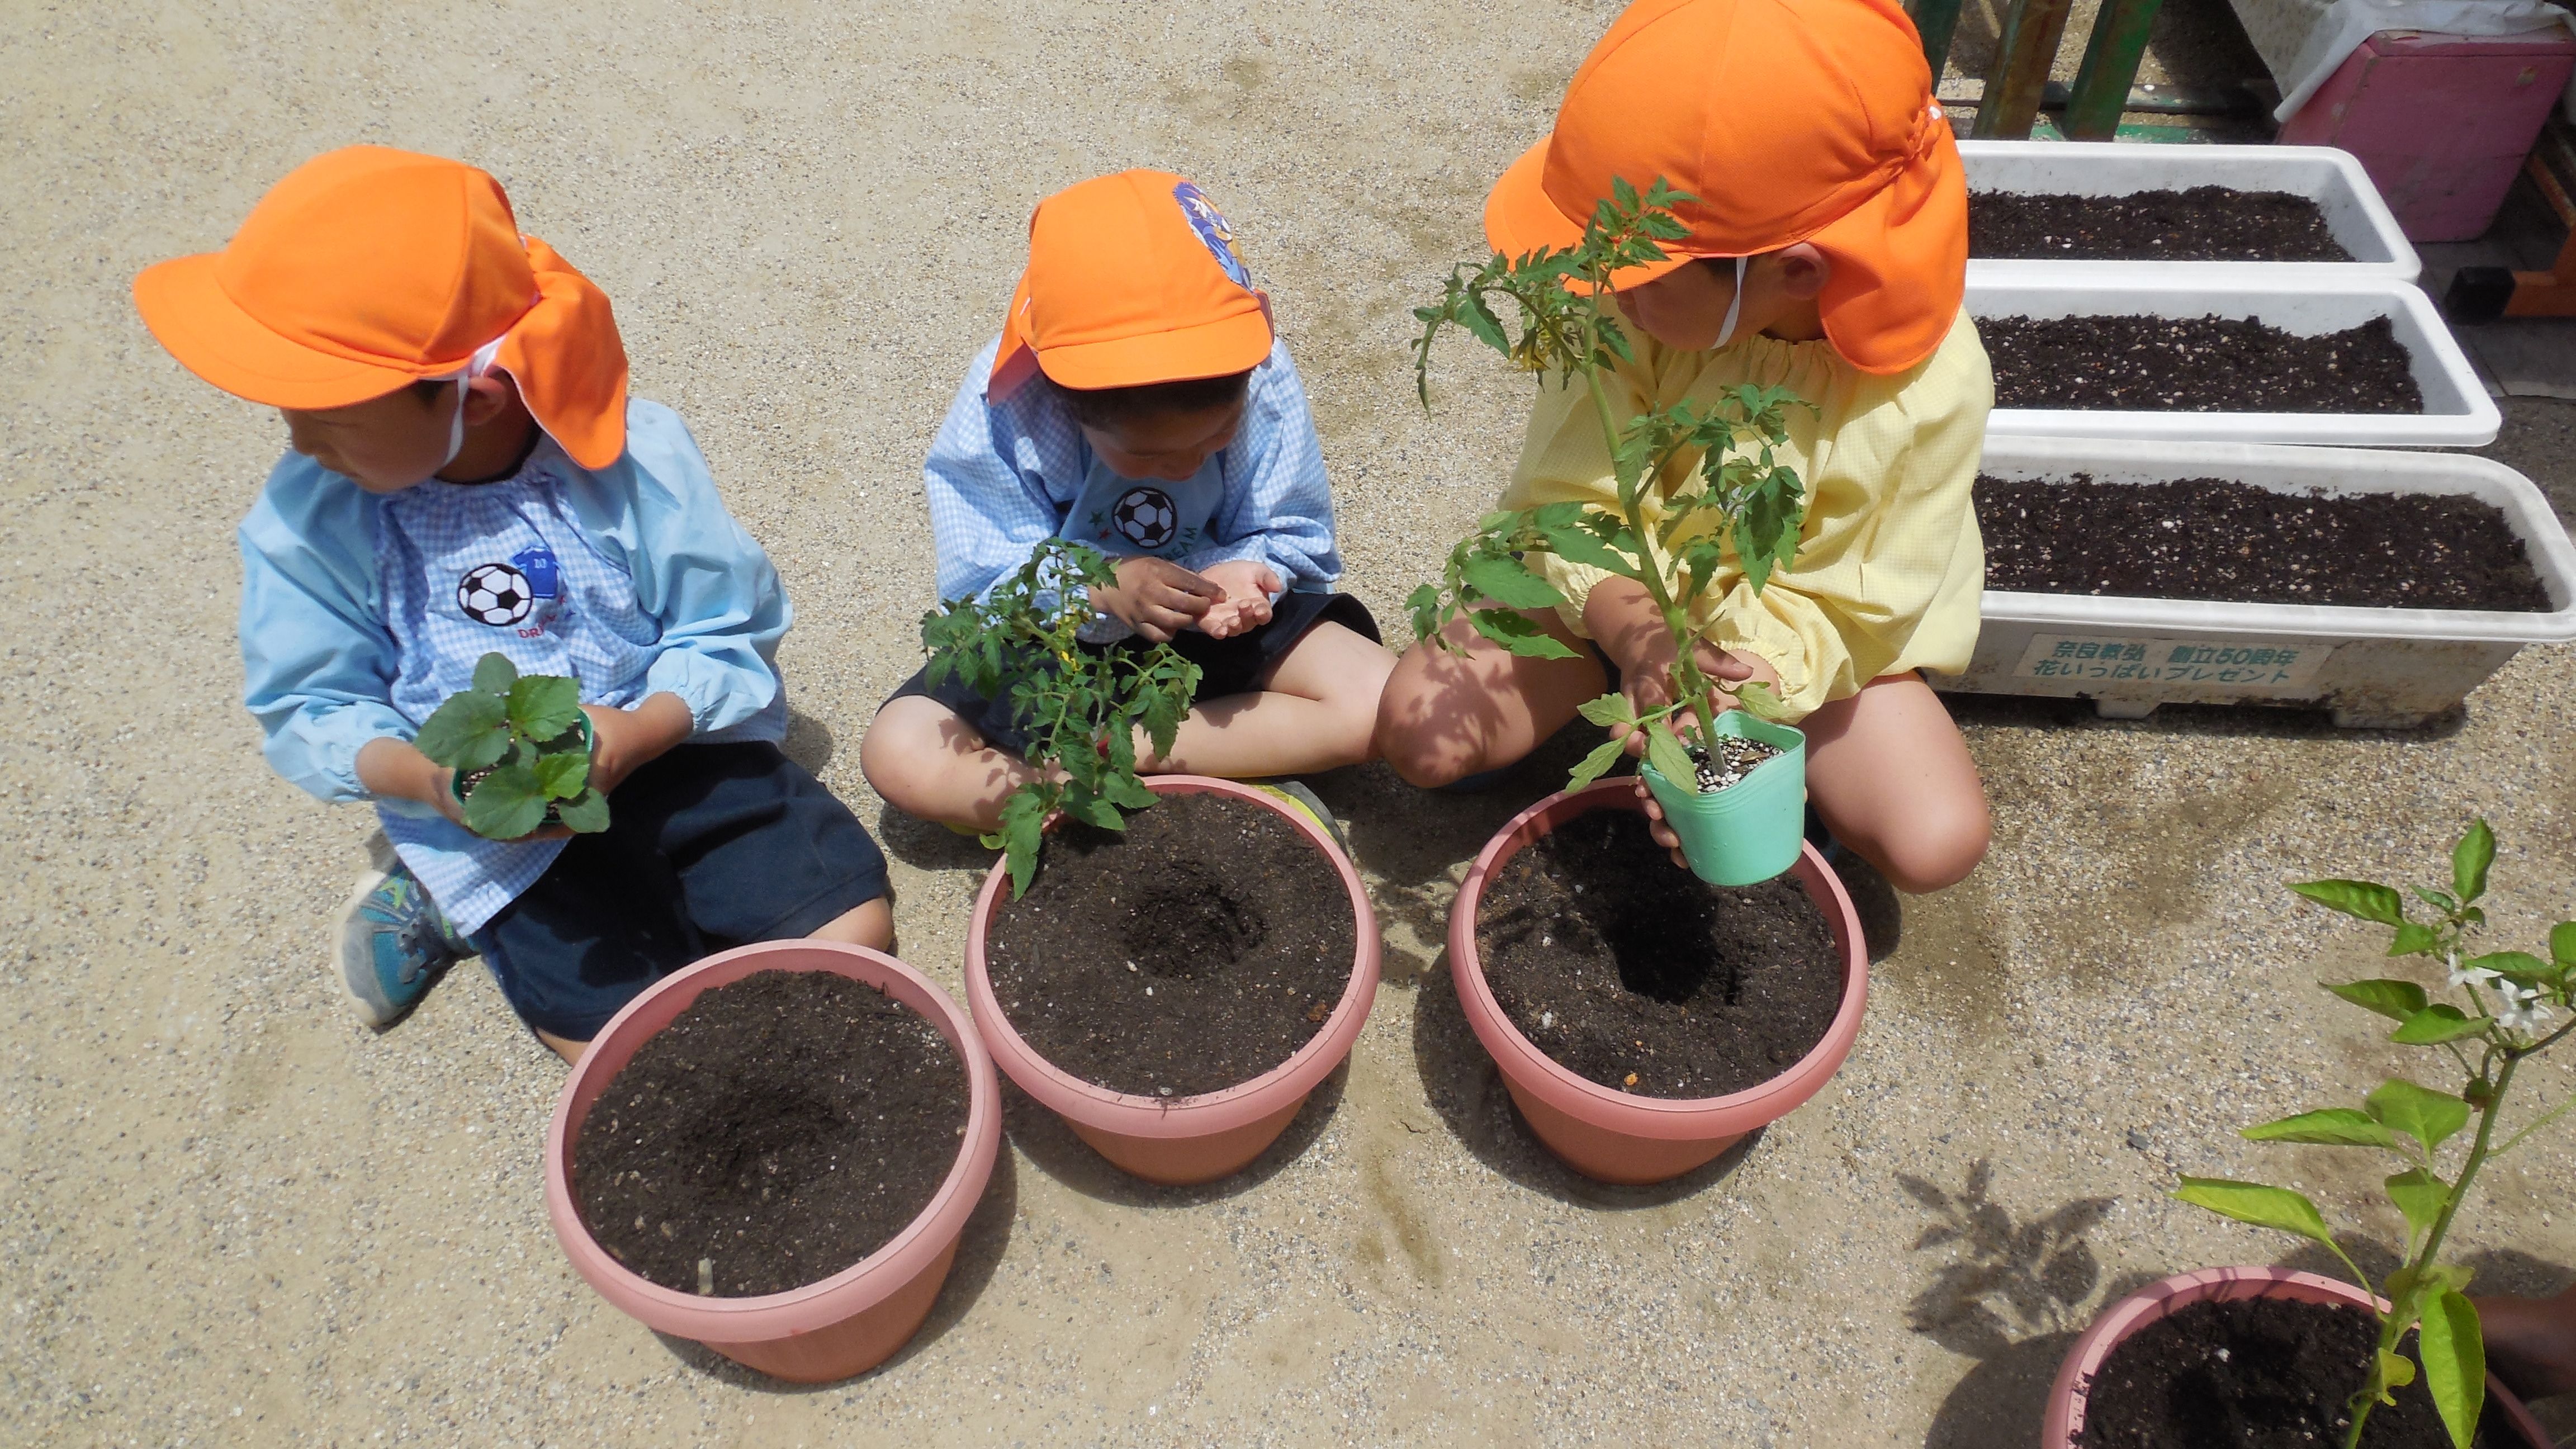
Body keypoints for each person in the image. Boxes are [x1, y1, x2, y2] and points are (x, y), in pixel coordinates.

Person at [134, 146, 892, 1062]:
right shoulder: (311, 521)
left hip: (662, 750)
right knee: (629, 1051)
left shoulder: (626, 461)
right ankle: (439, 880)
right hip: (478, 807)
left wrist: (645, 726)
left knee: (849, 936)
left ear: (478, 397)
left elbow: (723, 624)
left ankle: (491, 881)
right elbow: (314, 705)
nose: (297, 440)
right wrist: (427, 783)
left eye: (326, 416)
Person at [1372, 0, 1993, 895]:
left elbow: (1857, 608)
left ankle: (1769, 761)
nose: (1600, 283)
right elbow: (1571, 502)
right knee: (1422, 737)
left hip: (1801, 650)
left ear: (1793, 270)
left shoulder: (1928, 390)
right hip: (1625, 584)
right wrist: (1635, 629)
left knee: (1935, 841)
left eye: (1631, 271)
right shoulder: (1644, 294)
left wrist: (1725, 701)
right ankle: (1624, 697)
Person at [862, 169, 1394, 832]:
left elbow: (1294, 533)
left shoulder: (1259, 370)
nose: (1188, 464)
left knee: (1386, 702)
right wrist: (1098, 584)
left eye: (1217, 436)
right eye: (1146, 458)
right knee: (901, 752)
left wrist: (1244, 572)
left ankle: (1127, 758)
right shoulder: (1004, 406)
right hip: (1056, 643)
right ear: (1065, 400)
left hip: (1203, 625)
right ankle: (1129, 784)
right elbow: (981, 583)